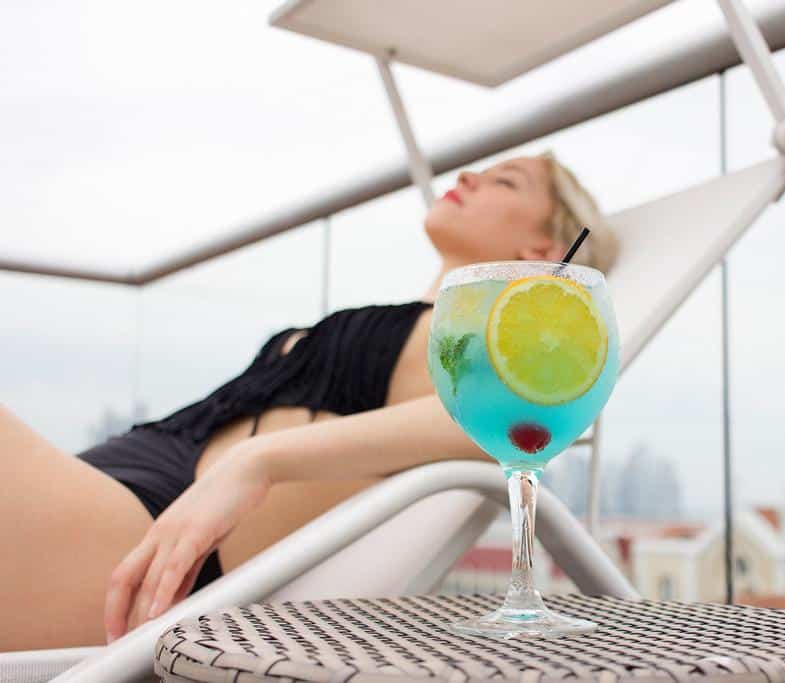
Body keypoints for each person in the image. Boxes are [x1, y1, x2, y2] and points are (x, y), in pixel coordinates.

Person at [0, 150, 620, 651]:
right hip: (117, 480)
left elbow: (514, 421)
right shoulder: (428, 332)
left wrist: (258, 460)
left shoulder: (480, 357)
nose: (465, 176)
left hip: (155, 531)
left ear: (540, 252)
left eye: (503, 181)